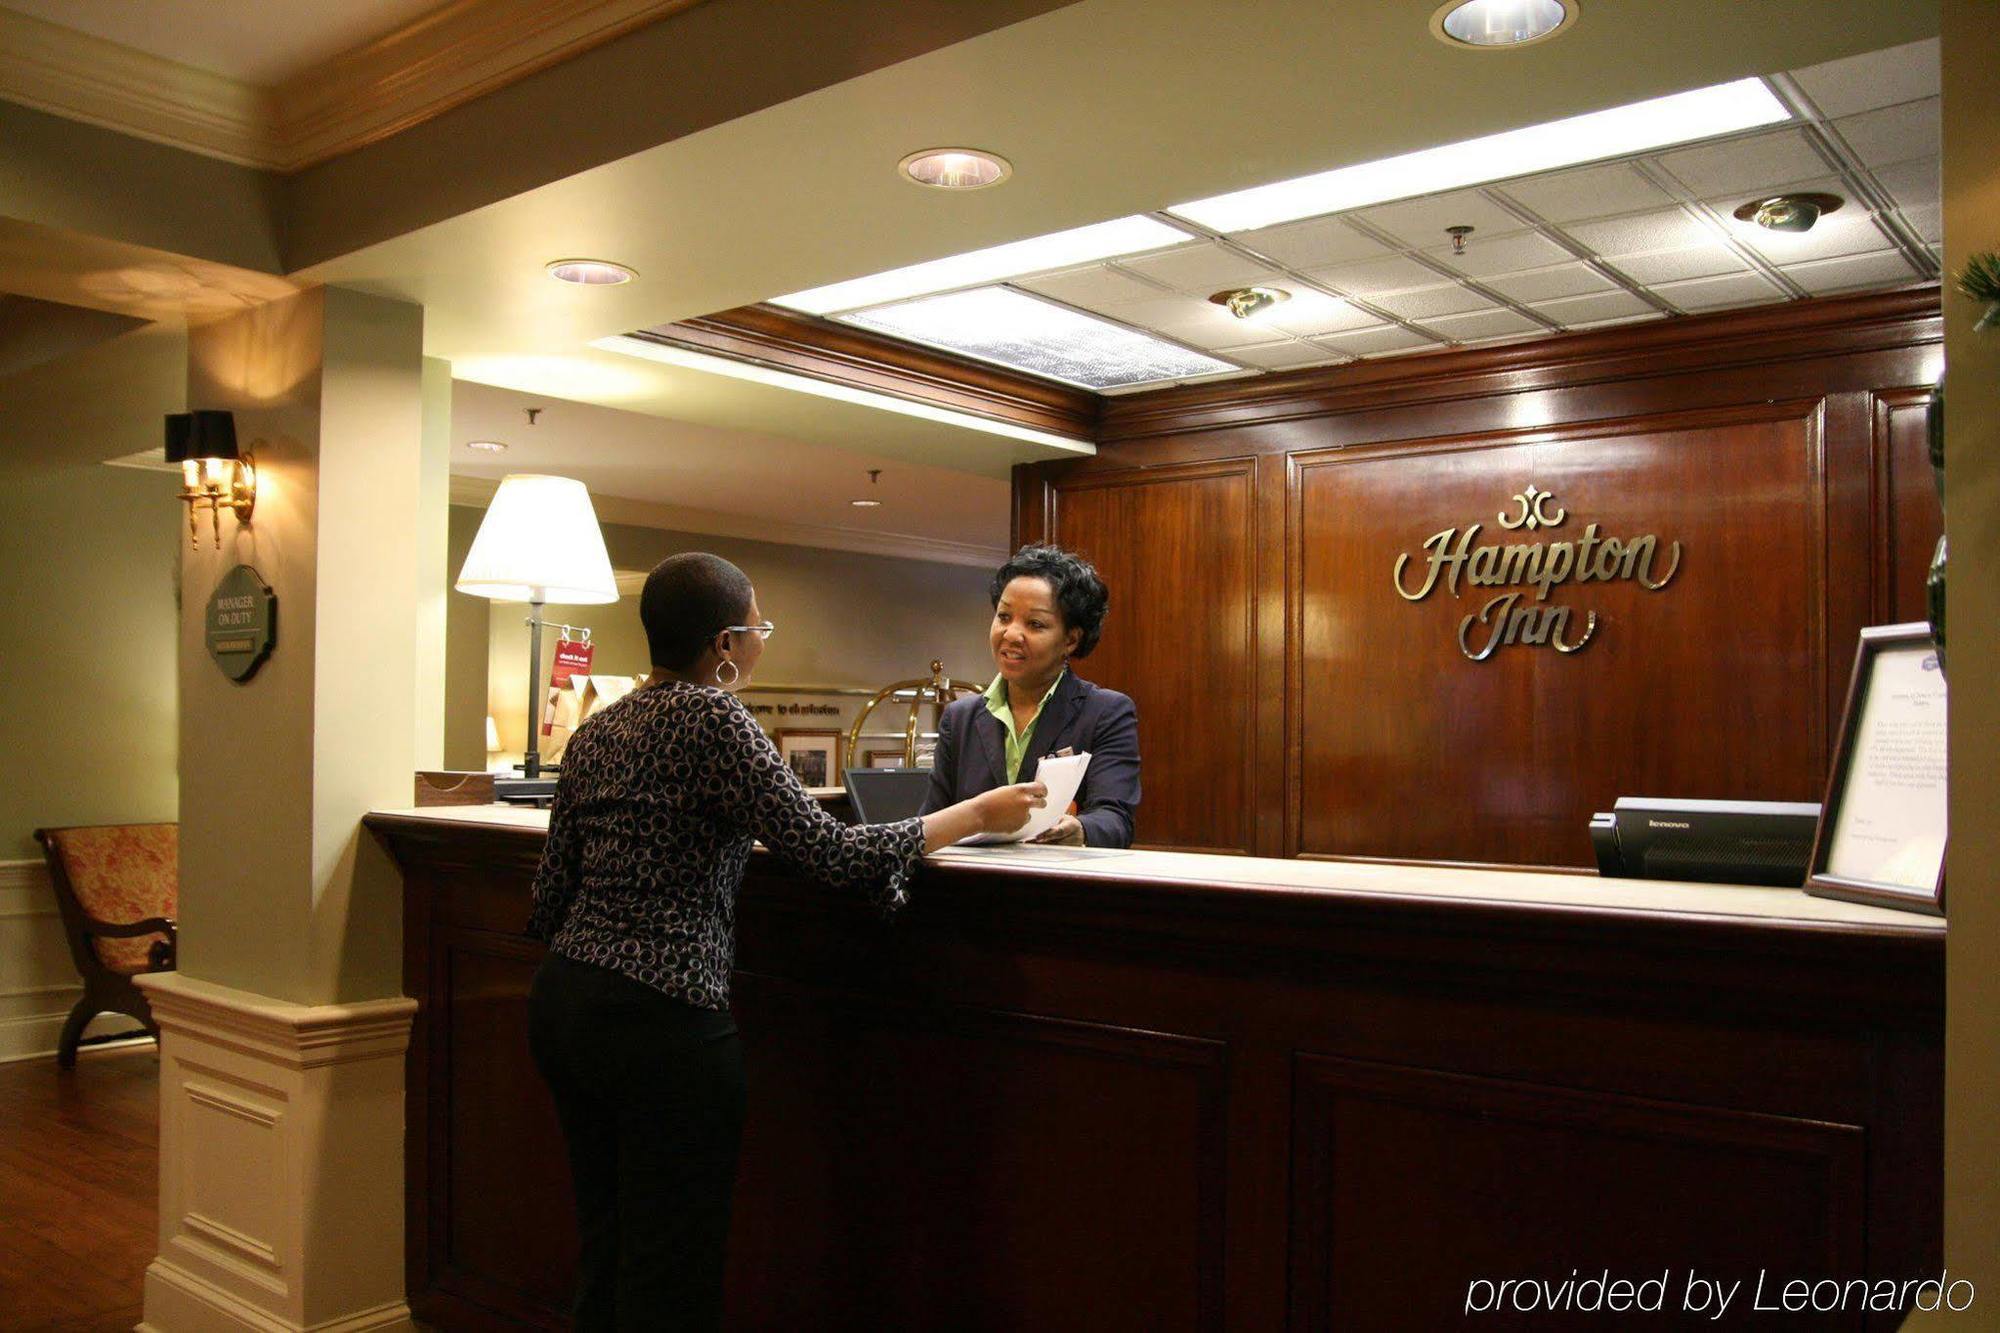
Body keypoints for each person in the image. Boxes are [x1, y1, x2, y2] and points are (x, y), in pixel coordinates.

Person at [525, 552, 1045, 1332]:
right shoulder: (715, 718)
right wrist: (973, 814)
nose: (762, 638)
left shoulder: (600, 729)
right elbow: (831, 855)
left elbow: (549, 892)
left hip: (565, 1004)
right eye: (758, 626)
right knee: (675, 1261)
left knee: (608, 1240)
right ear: (725, 644)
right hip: (665, 1021)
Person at [921, 543, 1139, 847]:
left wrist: (1079, 829)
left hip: (1056, 886)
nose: (1011, 634)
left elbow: (1115, 821)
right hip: (969, 888)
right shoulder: (960, 718)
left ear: (1071, 640)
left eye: (1035, 624)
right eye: (1004, 616)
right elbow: (930, 822)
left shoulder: (1106, 712)